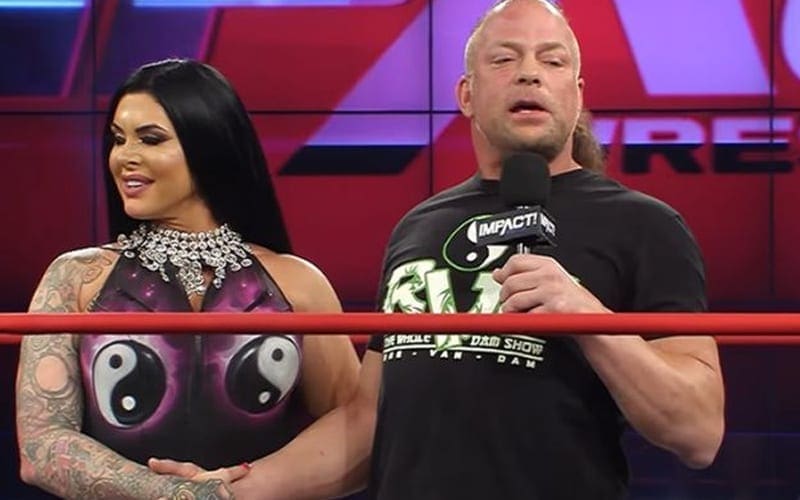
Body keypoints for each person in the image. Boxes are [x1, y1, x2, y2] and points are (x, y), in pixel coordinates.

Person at [153, 1, 725, 498]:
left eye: (552, 61)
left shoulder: (644, 225)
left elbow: (699, 431)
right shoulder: (420, 227)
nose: (530, 73)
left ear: (577, 97)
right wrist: (231, 489)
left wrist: (588, 318)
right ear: (466, 95)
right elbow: (369, 421)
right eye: (504, 59)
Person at [15, 58, 360, 499]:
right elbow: (42, 446)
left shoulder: (297, 284)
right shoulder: (76, 278)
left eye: (150, 139)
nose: (124, 157)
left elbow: (356, 430)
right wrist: (180, 495)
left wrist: (250, 487)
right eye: (118, 139)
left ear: (207, 144)